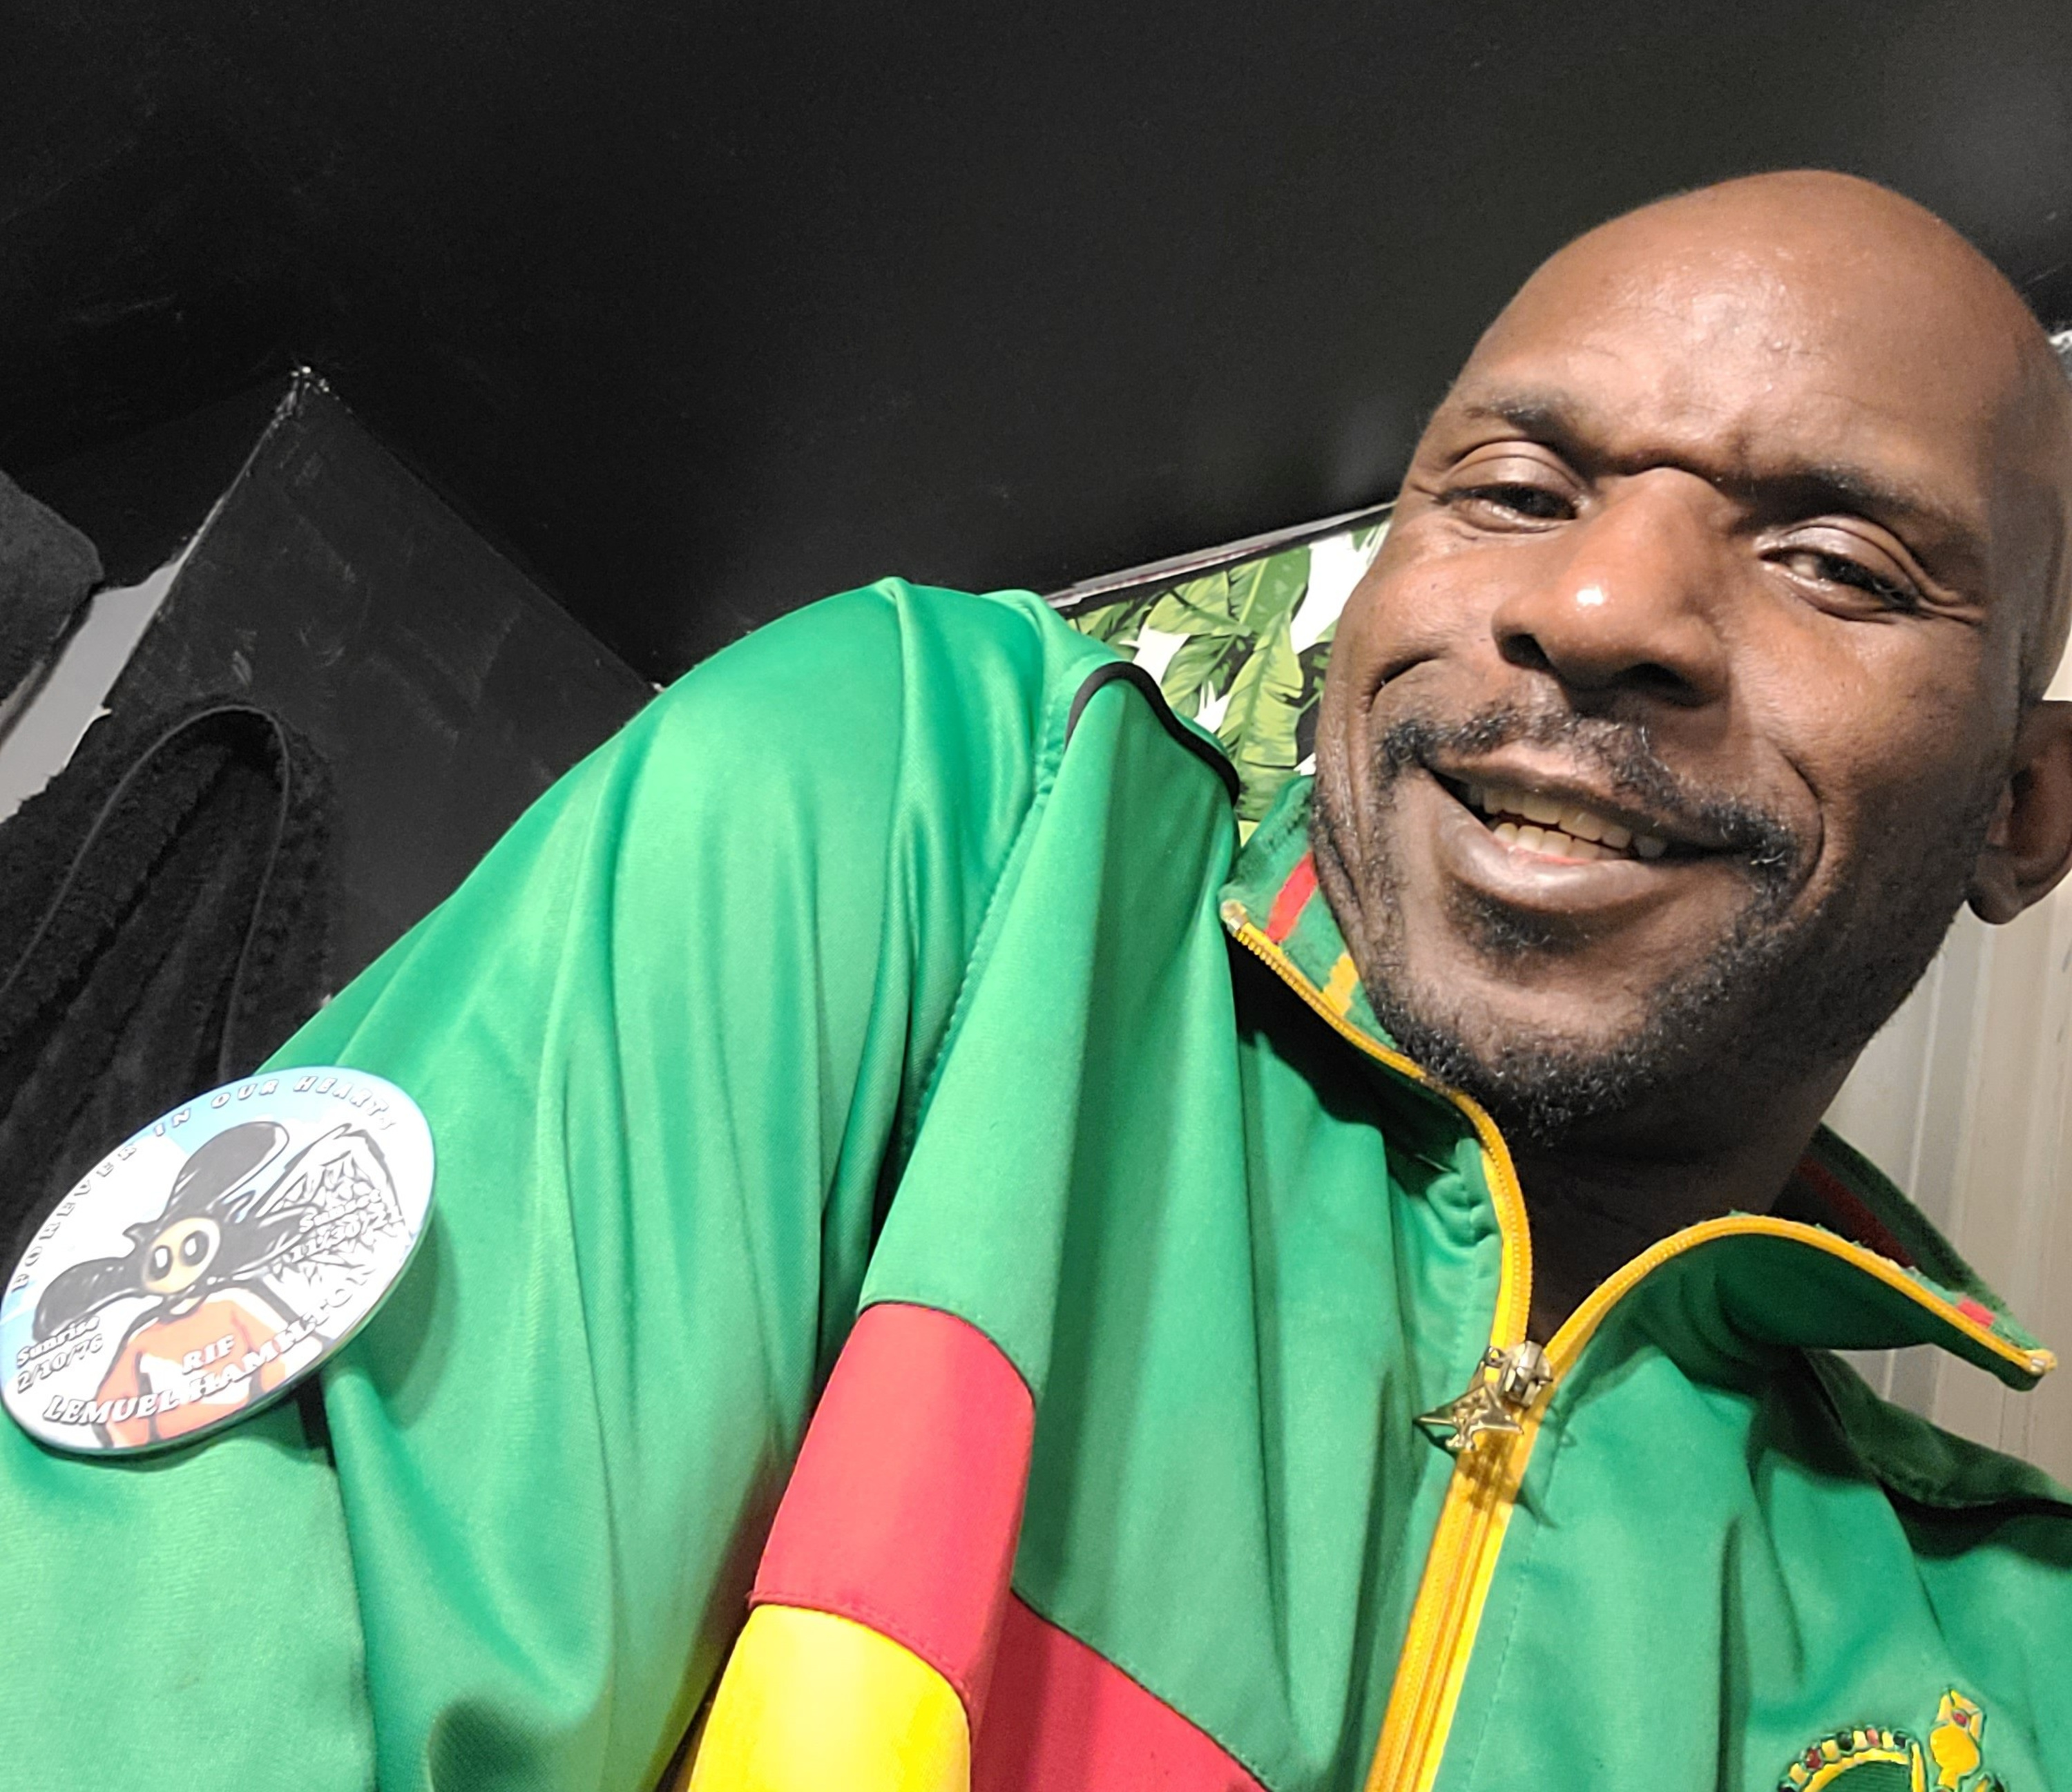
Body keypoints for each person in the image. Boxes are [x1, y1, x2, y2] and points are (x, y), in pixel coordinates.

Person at [3, 171, 2070, 1792]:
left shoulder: (2018, 1663)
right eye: (1516, 492)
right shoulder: (944, 799)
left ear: (2020, 811)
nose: (1601, 604)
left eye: (1836, 561)